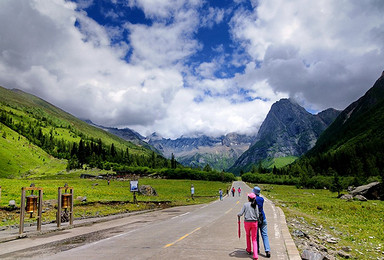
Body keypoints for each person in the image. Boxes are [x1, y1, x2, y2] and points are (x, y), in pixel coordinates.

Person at [237, 193, 259, 260]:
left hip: (247, 222)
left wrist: (238, 215)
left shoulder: (245, 205)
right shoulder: (255, 205)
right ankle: (255, 255)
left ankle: (249, 250)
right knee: (254, 239)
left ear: (249, 198)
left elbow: (240, 213)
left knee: (247, 235)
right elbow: (257, 215)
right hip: (254, 223)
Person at [253, 186, 271, 258]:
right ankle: (267, 250)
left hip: (256, 219)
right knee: (265, 235)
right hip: (263, 218)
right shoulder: (262, 199)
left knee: (256, 235)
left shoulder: (253, 200)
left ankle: (256, 249)